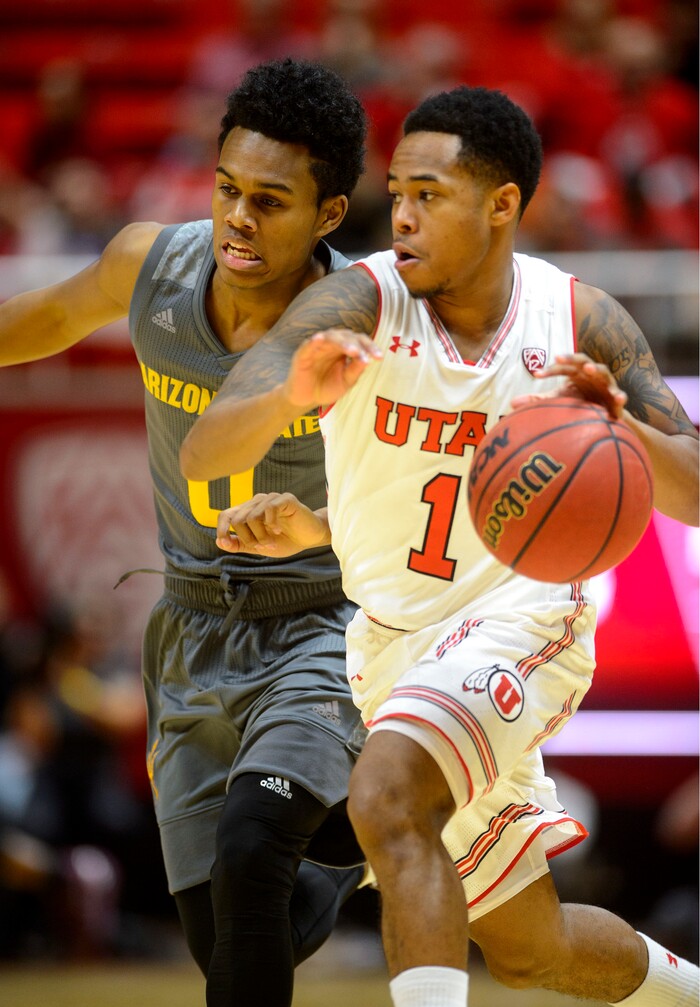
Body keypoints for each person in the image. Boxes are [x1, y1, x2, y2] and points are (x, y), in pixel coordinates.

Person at [180, 85, 700, 1007]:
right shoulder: (354, 300)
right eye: (397, 191)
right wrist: (287, 393)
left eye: (430, 193)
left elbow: (693, 492)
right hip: (391, 647)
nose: (403, 215)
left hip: (522, 619)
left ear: (502, 204)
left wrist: (620, 422)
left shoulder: (580, 320)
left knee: (385, 795)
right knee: (529, 949)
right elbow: (205, 450)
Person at [0, 58, 370, 1007]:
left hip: (323, 620)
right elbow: (35, 321)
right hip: (193, 623)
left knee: (252, 850)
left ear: (329, 214)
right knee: (235, 941)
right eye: (227, 190)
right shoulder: (149, 265)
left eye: (271, 202)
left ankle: (370, 804)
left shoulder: (366, 318)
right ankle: (362, 835)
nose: (239, 218)